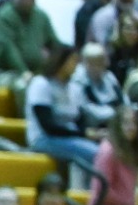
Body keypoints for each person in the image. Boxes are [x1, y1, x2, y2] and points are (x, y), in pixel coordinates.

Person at [27, 43, 101, 180]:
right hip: (44, 138)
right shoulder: (41, 84)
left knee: (106, 150)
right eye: (73, 61)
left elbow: (80, 120)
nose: (76, 66)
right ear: (61, 61)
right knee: (96, 153)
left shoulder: (75, 88)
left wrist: (93, 133)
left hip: (70, 137)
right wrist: (83, 134)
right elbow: (48, 126)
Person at [0, 0, 60, 95]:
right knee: (23, 87)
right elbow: (8, 48)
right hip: (7, 73)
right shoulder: (5, 15)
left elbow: (55, 44)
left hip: (36, 73)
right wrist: (23, 72)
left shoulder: (41, 16)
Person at [76, 42, 123, 129]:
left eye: (101, 61)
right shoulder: (79, 81)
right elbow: (86, 110)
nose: (99, 66)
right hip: (92, 126)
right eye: (94, 63)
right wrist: (113, 113)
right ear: (85, 63)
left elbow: (122, 100)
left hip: (116, 122)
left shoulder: (109, 77)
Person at [110, 7, 138, 89]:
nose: (133, 33)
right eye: (128, 28)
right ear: (121, 30)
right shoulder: (113, 52)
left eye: (136, 29)